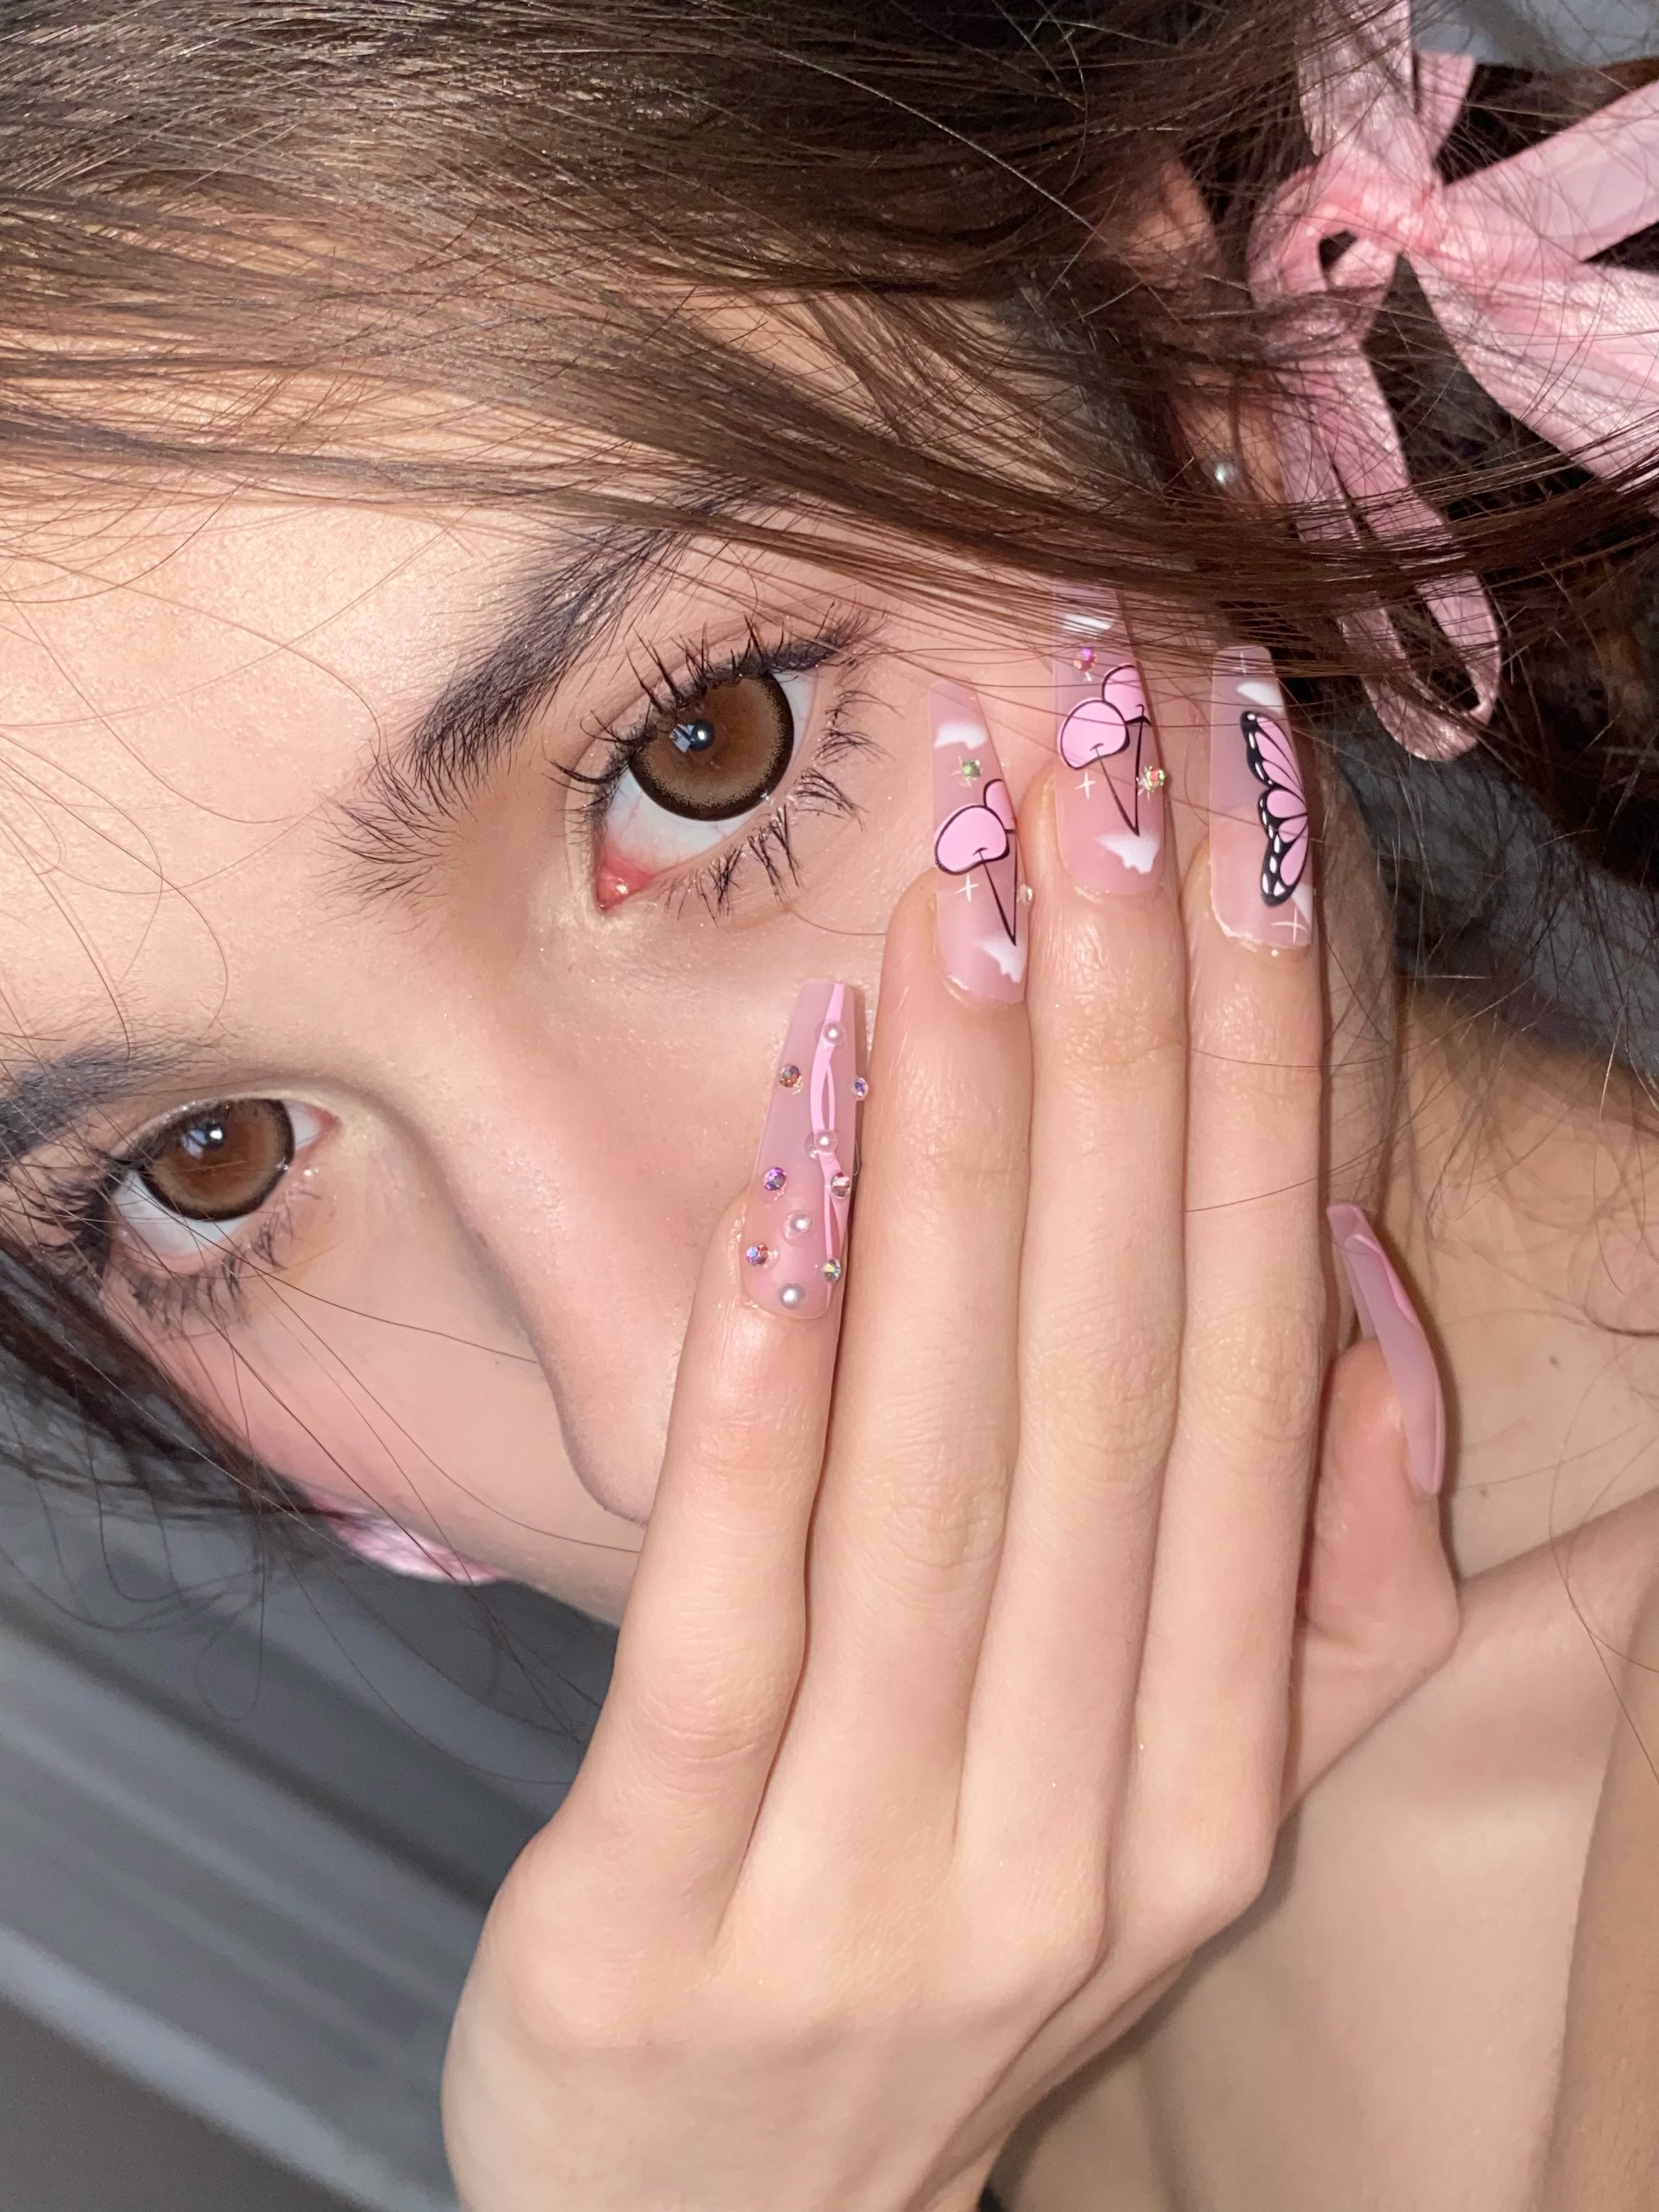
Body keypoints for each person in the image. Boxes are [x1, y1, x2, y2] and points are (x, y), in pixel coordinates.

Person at [1, 0, 1656, 2202]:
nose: (641, 1402)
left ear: (1183, 385)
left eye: (710, 754)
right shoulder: (817, 2027)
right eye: (205, 1170)